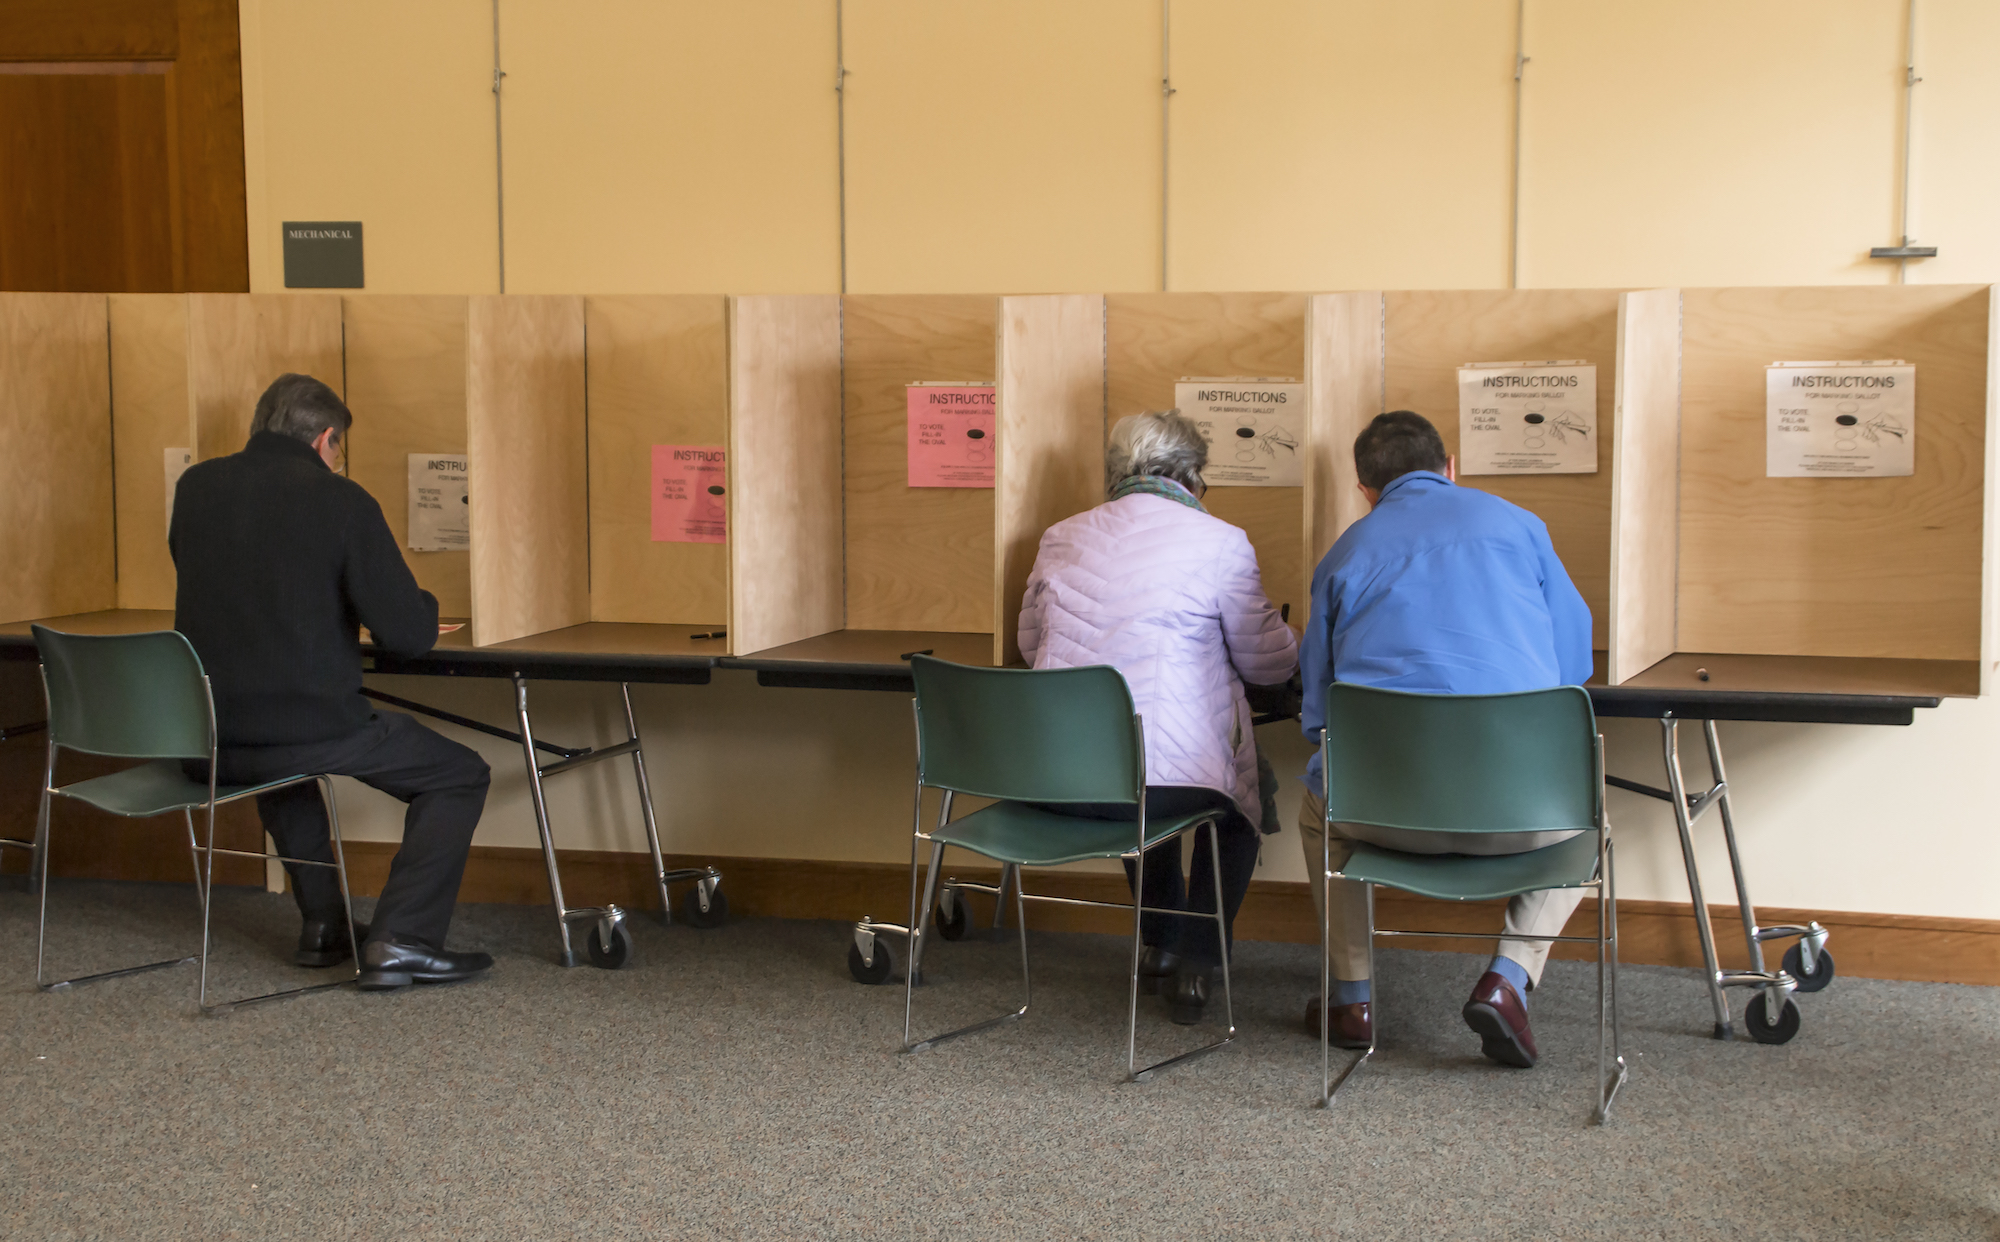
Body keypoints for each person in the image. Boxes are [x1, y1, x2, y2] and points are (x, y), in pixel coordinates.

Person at [171, 373, 494, 992]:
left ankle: (325, 926)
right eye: (338, 449)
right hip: (304, 729)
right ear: (326, 440)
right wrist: (422, 603)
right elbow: (408, 634)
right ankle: (404, 940)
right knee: (457, 775)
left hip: (207, 735)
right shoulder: (342, 501)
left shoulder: (195, 488)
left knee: (279, 762)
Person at [1299, 409, 1593, 1068]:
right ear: (1450, 467)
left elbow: (1319, 713)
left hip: (1386, 814)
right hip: (1521, 815)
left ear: (1364, 489)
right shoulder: (1521, 525)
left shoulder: (1346, 552)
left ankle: (1352, 999)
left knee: (1320, 810)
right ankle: (1508, 979)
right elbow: (1572, 669)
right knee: (1588, 815)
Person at [1018, 410, 1298, 1025]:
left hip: (1063, 779)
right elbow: (1269, 665)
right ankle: (1199, 959)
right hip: (1166, 786)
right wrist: (1290, 637)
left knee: (1136, 769)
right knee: (1237, 799)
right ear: (1191, 476)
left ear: (1116, 473)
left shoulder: (1060, 536)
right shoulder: (1220, 541)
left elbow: (1029, 645)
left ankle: (1160, 943)